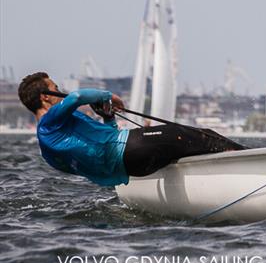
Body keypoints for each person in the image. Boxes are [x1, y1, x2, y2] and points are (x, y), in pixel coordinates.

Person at [18, 71, 245, 187]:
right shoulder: (50, 122)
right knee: (203, 136)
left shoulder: (48, 148)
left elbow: (99, 155)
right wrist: (109, 96)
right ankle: (249, 159)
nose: (61, 91)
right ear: (46, 97)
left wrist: (108, 118)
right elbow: (77, 96)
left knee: (193, 146)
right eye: (56, 88)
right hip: (133, 149)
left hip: (134, 168)